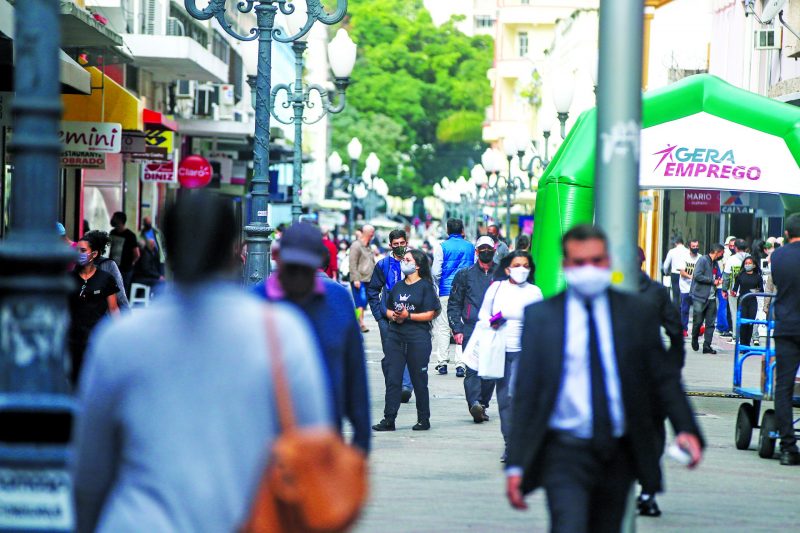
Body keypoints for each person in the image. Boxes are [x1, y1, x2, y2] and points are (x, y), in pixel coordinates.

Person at [71, 194, 333, 532]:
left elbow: (90, 470)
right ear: (235, 249)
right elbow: (313, 449)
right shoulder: (280, 334)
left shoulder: (121, 340)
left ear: (169, 246)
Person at [505, 224, 704, 533]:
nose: (588, 269)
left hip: (618, 450)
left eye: (596, 261)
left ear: (608, 263)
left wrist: (686, 428)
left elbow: (662, 377)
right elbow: (527, 394)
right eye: (579, 262)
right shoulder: (542, 317)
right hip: (564, 451)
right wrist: (517, 462)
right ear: (565, 265)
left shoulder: (636, 313)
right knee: (568, 524)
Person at [253, 222, 371, 453]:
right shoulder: (256, 302)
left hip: (323, 441)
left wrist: (360, 447)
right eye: (292, 267)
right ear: (278, 258)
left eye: (304, 268)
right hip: (263, 446)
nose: (297, 276)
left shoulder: (337, 299)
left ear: (319, 264)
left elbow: (355, 378)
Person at [635, 246, 685, 517]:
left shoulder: (607, 290)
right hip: (646, 375)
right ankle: (647, 491)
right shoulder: (655, 291)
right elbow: (675, 331)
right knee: (652, 436)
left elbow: (675, 331)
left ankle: (644, 490)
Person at [479, 250, 542, 459]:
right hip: (500, 349)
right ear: (507, 269)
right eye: (517, 265)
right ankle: (510, 443)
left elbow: (541, 319)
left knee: (517, 397)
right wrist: (494, 319)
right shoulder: (497, 288)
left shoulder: (534, 292)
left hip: (525, 351)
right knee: (505, 399)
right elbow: (483, 314)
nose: (521, 269)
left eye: (525, 265)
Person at [372, 249, 440, 432]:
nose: (404, 262)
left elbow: (431, 313)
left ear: (417, 265)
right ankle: (389, 419)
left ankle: (423, 419)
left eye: (408, 260)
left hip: (418, 338)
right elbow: (385, 308)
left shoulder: (426, 287)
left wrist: (408, 315)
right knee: (393, 379)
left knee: (419, 380)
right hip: (395, 337)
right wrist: (394, 316)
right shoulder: (398, 286)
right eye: (404, 260)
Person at [447, 236, 499, 423]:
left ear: (494, 250)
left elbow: (506, 302)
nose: (486, 251)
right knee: (472, 369)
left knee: (490, 370)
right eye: (482, 248)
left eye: (489, 248)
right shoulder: (465, 274)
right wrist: (457, 328)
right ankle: (474, 403)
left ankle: (483, 404)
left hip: (495, 329)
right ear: (476, 252)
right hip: (471, 328)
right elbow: (454, 303)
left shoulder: (501, 274)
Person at [766, 213, 800, 466]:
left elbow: (777, 282)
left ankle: (788, 448)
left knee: (784, 387)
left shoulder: (777, 257)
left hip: (786, 328)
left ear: (786, 234)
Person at [367, 229, 414, 403]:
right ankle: (393, 385)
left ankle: (406, 387)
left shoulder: (414, 262)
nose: (400, 247)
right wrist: (378, 315)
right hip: (386, 318)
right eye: (396, 244)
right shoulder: (383, 265)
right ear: (390, 245)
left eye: (402, 243)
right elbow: (372, 290)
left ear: (407, 243)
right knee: (391, 353)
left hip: (409, 317)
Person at [68, 231, 120, 386]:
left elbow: (113, 309)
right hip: (73, 340)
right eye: (77, 250)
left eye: (83, 251)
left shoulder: (106, 279)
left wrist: (118, 335)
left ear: (94, 254)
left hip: (95, 339)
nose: (79, 254)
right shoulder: (69, 278)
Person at [431, 218, 475, 376]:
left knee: (443, 326)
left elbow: (435, 272)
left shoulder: (441, 247)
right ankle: (461, 363)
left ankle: (442, 362)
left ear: (447, 231)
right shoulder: (471, 247)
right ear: (462, 230)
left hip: (445, 291)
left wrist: (439, 284)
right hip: (465, 292)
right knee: (461, 325)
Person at [690, 243, 725, 354]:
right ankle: (694, 338)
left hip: (711, 297)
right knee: (698, 321)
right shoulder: (703, 260)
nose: (722, 255)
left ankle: (707, 345)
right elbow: (697, 275)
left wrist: (718, 280)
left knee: (710, 323)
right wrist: (712, 281)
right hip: (700, 296)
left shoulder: (715, 264)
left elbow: (717, 275)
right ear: (717, 252)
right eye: (722, 253)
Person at [731, 256, 764, 347]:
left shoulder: (758, 277)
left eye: (749, 263)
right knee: (743, 323)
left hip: (752, 301)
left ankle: (747, 344)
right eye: (746, 263)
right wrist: (732, 292)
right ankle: (742, 345)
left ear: (754, 265)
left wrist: (755, 291)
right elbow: (734, 289)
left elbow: (761, 290)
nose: (747, 265)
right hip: (742, 302)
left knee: (750, 323)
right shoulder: (740, 275)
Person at [349, 224, 376, 333]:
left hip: (368, 279)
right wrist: (355, 278)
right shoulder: (356, 245)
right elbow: (352, 263)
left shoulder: (368, 246)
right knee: (360, 302)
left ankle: (356, 321)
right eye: (372, 232)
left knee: (363, 303)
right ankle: (360, 323)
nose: (373, 234)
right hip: (359, 279)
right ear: (368, 233)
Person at [723, 238, 750, 342]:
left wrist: (724, 290)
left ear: (735, 247)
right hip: (748, 292)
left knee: (734, 313)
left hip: (734, 291)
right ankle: (747, 336)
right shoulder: (750, 259)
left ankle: (735, 335)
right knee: (746, 314)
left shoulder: (731, 259)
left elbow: (726, 275)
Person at [109, 211, 140, 295]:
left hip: (125, 270)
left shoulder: (130, 235)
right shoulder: (112, 233)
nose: (112, 220)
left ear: (120, 220)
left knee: (123, 292)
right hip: (113, 268)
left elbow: (137, 254)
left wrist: (130, 264)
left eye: (114, 218)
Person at [676, 239, 700, 337]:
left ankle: (697, 329)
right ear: (689, 247)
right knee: (684, 309)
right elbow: (682, 272)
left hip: (697, 289)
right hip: (685, 287)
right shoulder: (684, 257)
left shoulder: (701, 258)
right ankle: (684, 329)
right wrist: (692, 277)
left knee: (698, 310)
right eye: (693, 246)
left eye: (696, 246)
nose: (695, 248)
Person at [662, 236, 687, 309]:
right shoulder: (687, 251)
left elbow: (666, 265)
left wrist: (666, 272)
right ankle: (683, 309)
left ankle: (676, 311)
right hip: (685, 274)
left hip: (674, 274)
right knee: (684, 293)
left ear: (676, 243)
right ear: (683, 243)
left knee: (675, 294)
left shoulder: (672, 251)